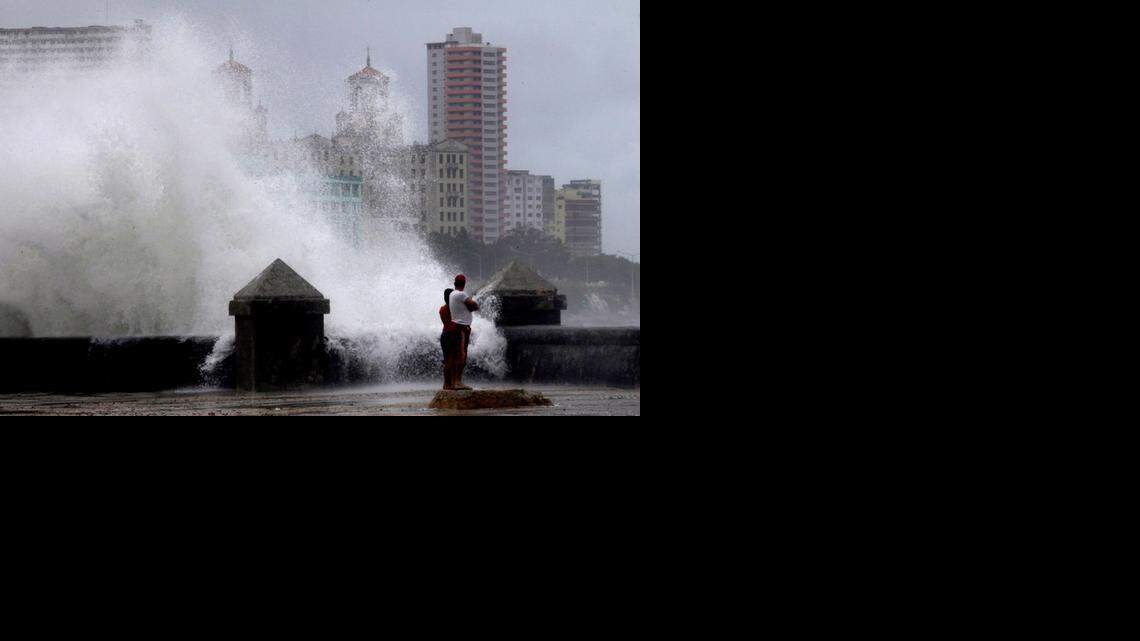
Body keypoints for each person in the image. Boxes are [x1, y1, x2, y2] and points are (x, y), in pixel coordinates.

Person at [447, 274, 480, 390]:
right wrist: (474, 305)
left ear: (455, 283)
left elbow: (469, 307)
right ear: (464, 284)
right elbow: (474, 306)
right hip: (461, 328)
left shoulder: (452, 294)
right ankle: (458, 382)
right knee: (461, 355)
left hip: (456, 327)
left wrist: (470, 306)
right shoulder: (462, 294)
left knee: (457, 355)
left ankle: (453, 382)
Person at [439, 288, 460, 389]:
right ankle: (452, 383)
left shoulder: (442, 309)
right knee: (455, 360)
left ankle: (446, 383)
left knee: (447, 361)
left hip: (444, 335)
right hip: (453, 335)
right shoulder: (455, 309)